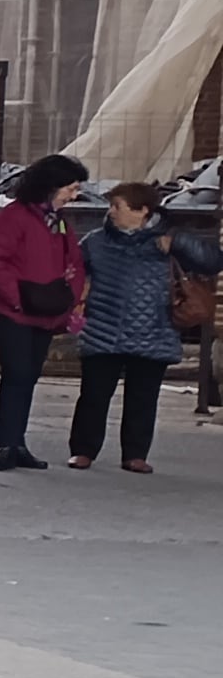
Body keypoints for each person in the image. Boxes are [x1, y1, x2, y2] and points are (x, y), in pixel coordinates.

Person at [67, 179, 208, 474]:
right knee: (93, 395)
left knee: (143, 398)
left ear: (142, 210)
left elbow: (212, 261)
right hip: (103, 330)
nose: (111, 212)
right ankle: (83, 450)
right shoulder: (96, 241)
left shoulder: (168, 240)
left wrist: (179, 243)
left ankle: (135, 454)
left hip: (153, 331)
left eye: (117, 206)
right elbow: (72, 269)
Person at [0, 153, 90, 473]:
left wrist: (68, 298)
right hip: (14, 311)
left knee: (27, 375)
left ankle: (16, 443)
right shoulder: (12, 217)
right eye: (70, 188)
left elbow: (75, 263)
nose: (74, 195)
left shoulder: (59, 222)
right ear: (51, 186)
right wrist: (16, 298)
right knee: (17, 373)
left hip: (45, 310)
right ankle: (7, 444)